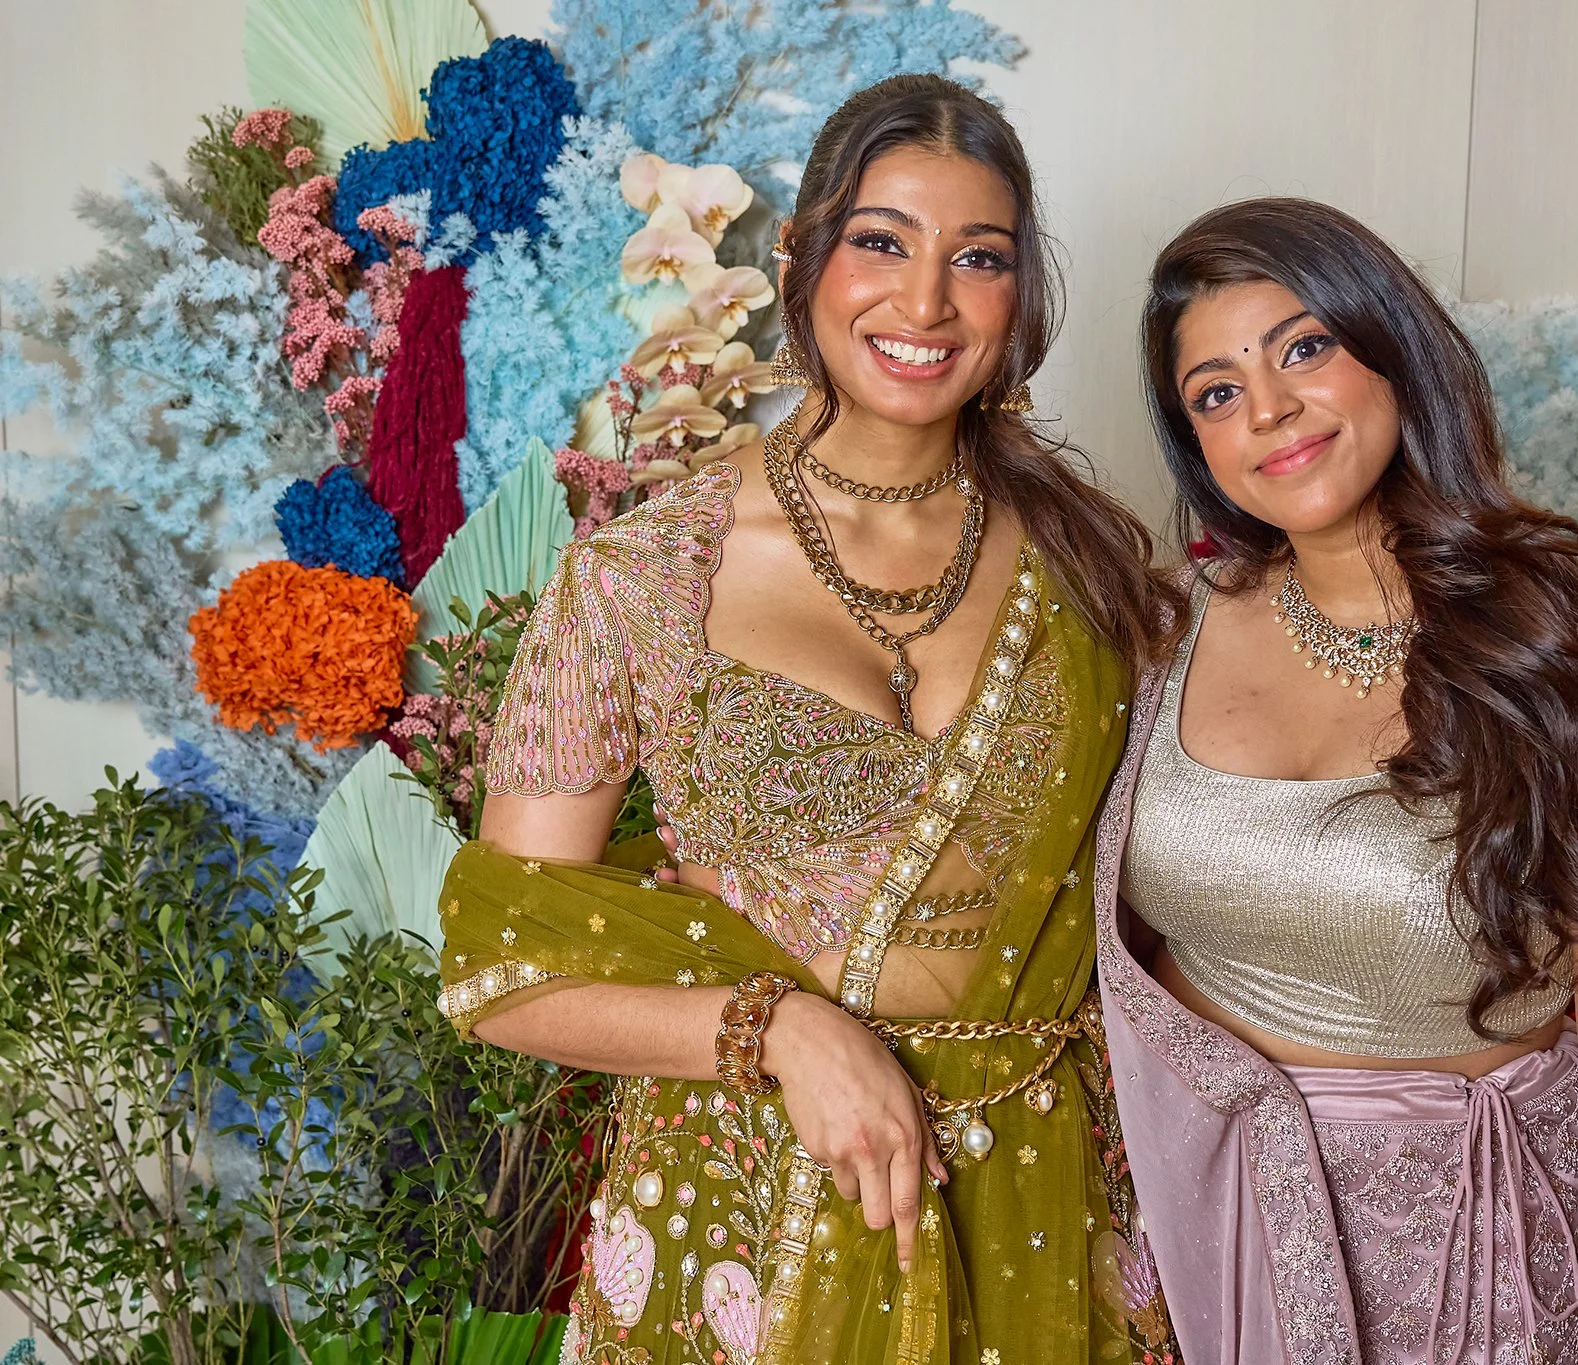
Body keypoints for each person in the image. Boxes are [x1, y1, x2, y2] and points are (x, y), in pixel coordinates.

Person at [435, 75, 1181, 1365]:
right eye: (881, 242)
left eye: (979, 259)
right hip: (744, 1212)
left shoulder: (1093, 567)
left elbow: (1175, 879)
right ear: (801, 259)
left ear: (1021, 298)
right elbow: (507, 962)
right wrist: (775, 1028)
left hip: (1039, 1203)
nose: (925, 301)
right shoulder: (645, 573)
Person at [1091, 198, 1578, 1364]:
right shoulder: (1163, 630)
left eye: (1302, 349)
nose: (1269, 408)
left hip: (1451, 1284)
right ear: (1199, 449)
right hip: (1169, 1260)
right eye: (1216, 393)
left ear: (1394, 348)